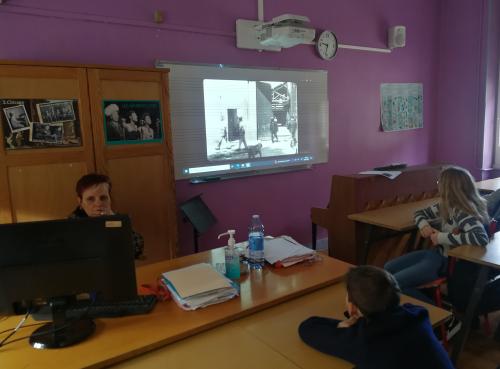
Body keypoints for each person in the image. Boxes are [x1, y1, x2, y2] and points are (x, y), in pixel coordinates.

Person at [298, 266, 454, 369]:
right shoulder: (417, 315)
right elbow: (404, 309)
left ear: (352, 307)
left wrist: (345, 325)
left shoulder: (364, 340)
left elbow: (307, 328)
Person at [385, 166, 489, 302]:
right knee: (388, 269)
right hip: (436, 254)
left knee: (395, 284)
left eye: (440, 183)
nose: (438, 186)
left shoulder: (463, 212)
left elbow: (481, 237)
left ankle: (436, 313)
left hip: (445, 262)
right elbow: (419, 213)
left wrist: (440, 237)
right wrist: (424, 226)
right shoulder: (447, 206)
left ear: (449, 188)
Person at [69, 173, 144, 259]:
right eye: (90, 199)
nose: (98, 204)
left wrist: (113, 219)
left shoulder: (116, 219)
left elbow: (137, 248)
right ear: (80, 202)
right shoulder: (72, 223)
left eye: (103, 198)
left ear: (110, 199)